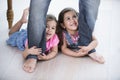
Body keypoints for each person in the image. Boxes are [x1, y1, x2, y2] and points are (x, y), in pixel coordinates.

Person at [27, 0, 101, 61]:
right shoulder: (65, 34)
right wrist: (76, 54)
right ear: (63, 25)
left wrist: (89, 48)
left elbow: (95, 41)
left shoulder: (82, 30)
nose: (72, 20)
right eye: (68, 19)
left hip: (86, 47)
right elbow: (64, 49)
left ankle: (91, 52)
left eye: (74, 16)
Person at [7, 8, 59, 73]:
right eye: (46, 26)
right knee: (11, 34)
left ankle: (24, 24)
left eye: (53, 28)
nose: (49, 30)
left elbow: (54, 51)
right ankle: (22, 21)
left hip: (32, 32)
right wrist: (29, 51)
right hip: (24, 38)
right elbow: (24, 54)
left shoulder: (54, 38)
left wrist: (47, 57)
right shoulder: (33, 40)